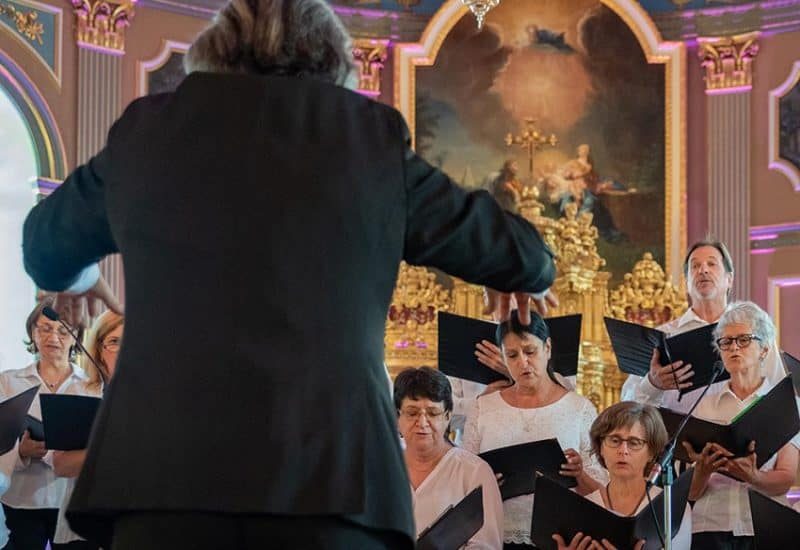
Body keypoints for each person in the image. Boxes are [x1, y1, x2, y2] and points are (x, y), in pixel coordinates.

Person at [20, 0, 558, 548]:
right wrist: (509, 272)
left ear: (214, 52)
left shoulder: (148, 131)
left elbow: (43, 248)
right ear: (332, 60)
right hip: (332, 480)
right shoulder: (367, 139)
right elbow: (529, 257)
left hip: (163, 478)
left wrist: (80, 278)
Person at [462, 311, 605, 548]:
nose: (523, 362)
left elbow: (602, 489)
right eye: (512, 355)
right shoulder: (483, 407)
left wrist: (579, 474)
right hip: (497, 537)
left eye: (530, 352)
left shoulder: (579, 409)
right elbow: (464, 476)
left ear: (547, 348)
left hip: (562, 539)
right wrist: (484, 483)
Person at [683, 301, 799, 550]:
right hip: (709, 526)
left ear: (764, 349)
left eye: (744, 340)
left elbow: (786, 478)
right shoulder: (704, 407)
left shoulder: (786, 404)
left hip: (765, 525)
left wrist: (753, 476)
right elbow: (691, 493)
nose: (734, 347)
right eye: (726, 342)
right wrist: (703, 470)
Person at [620, 240, 786, 413]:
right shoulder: (662, 337)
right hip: (678, 429)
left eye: (711, 264)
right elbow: (627, 407)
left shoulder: (755, 331)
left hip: (748, 429)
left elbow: (781, 395)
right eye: (695, 266)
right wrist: (653, 384)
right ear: (686, 282)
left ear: (729, 279)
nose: (703, 270)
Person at [0, 298, 96, 549]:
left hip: (73, 500)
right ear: (33, 332)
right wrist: (21, 452)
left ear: (76, 338)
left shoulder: (92, 386)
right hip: (23, 498)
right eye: (45, 328)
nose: (54, 337)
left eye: (64, 331)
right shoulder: (7, 382)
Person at [551, 401, 692, 550]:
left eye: (634, 442)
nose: (623, 450)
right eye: (614, 440)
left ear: (652, 452)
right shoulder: (582, 508)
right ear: (601, 448)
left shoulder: (671, 507)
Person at [394, 367, 503, 548]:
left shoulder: (474, 472)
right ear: (398, 417)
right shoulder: (380, 469)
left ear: (447, 416)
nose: (422, 423)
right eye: (412, 413)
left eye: (433, 413)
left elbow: (487, 545)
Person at [52, 310, 123, 549]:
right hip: (83, 531)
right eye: (114, 341)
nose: (123, 349)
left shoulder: (156, 396)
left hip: (133, 525)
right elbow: (61, 466)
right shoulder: (77, 391)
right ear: (99, 349)